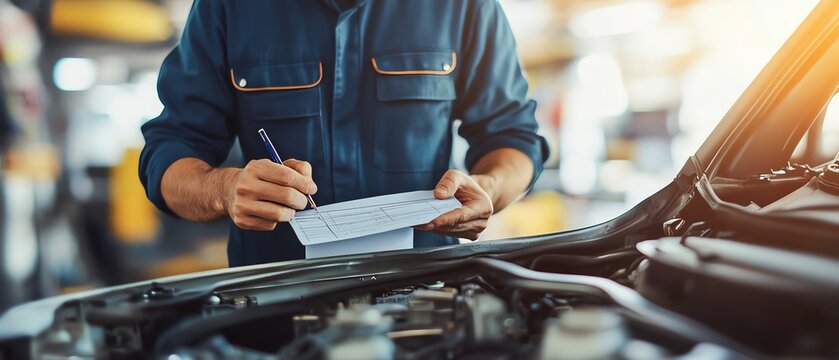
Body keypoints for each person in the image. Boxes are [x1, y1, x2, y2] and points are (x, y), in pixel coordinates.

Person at [139, 0, 549, 266]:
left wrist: (487, 189)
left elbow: (513, 138)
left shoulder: (464, 6)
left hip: (427, 302)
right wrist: (223, 189)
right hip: (271, 310)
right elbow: (169, 155)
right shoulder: (226, 7)